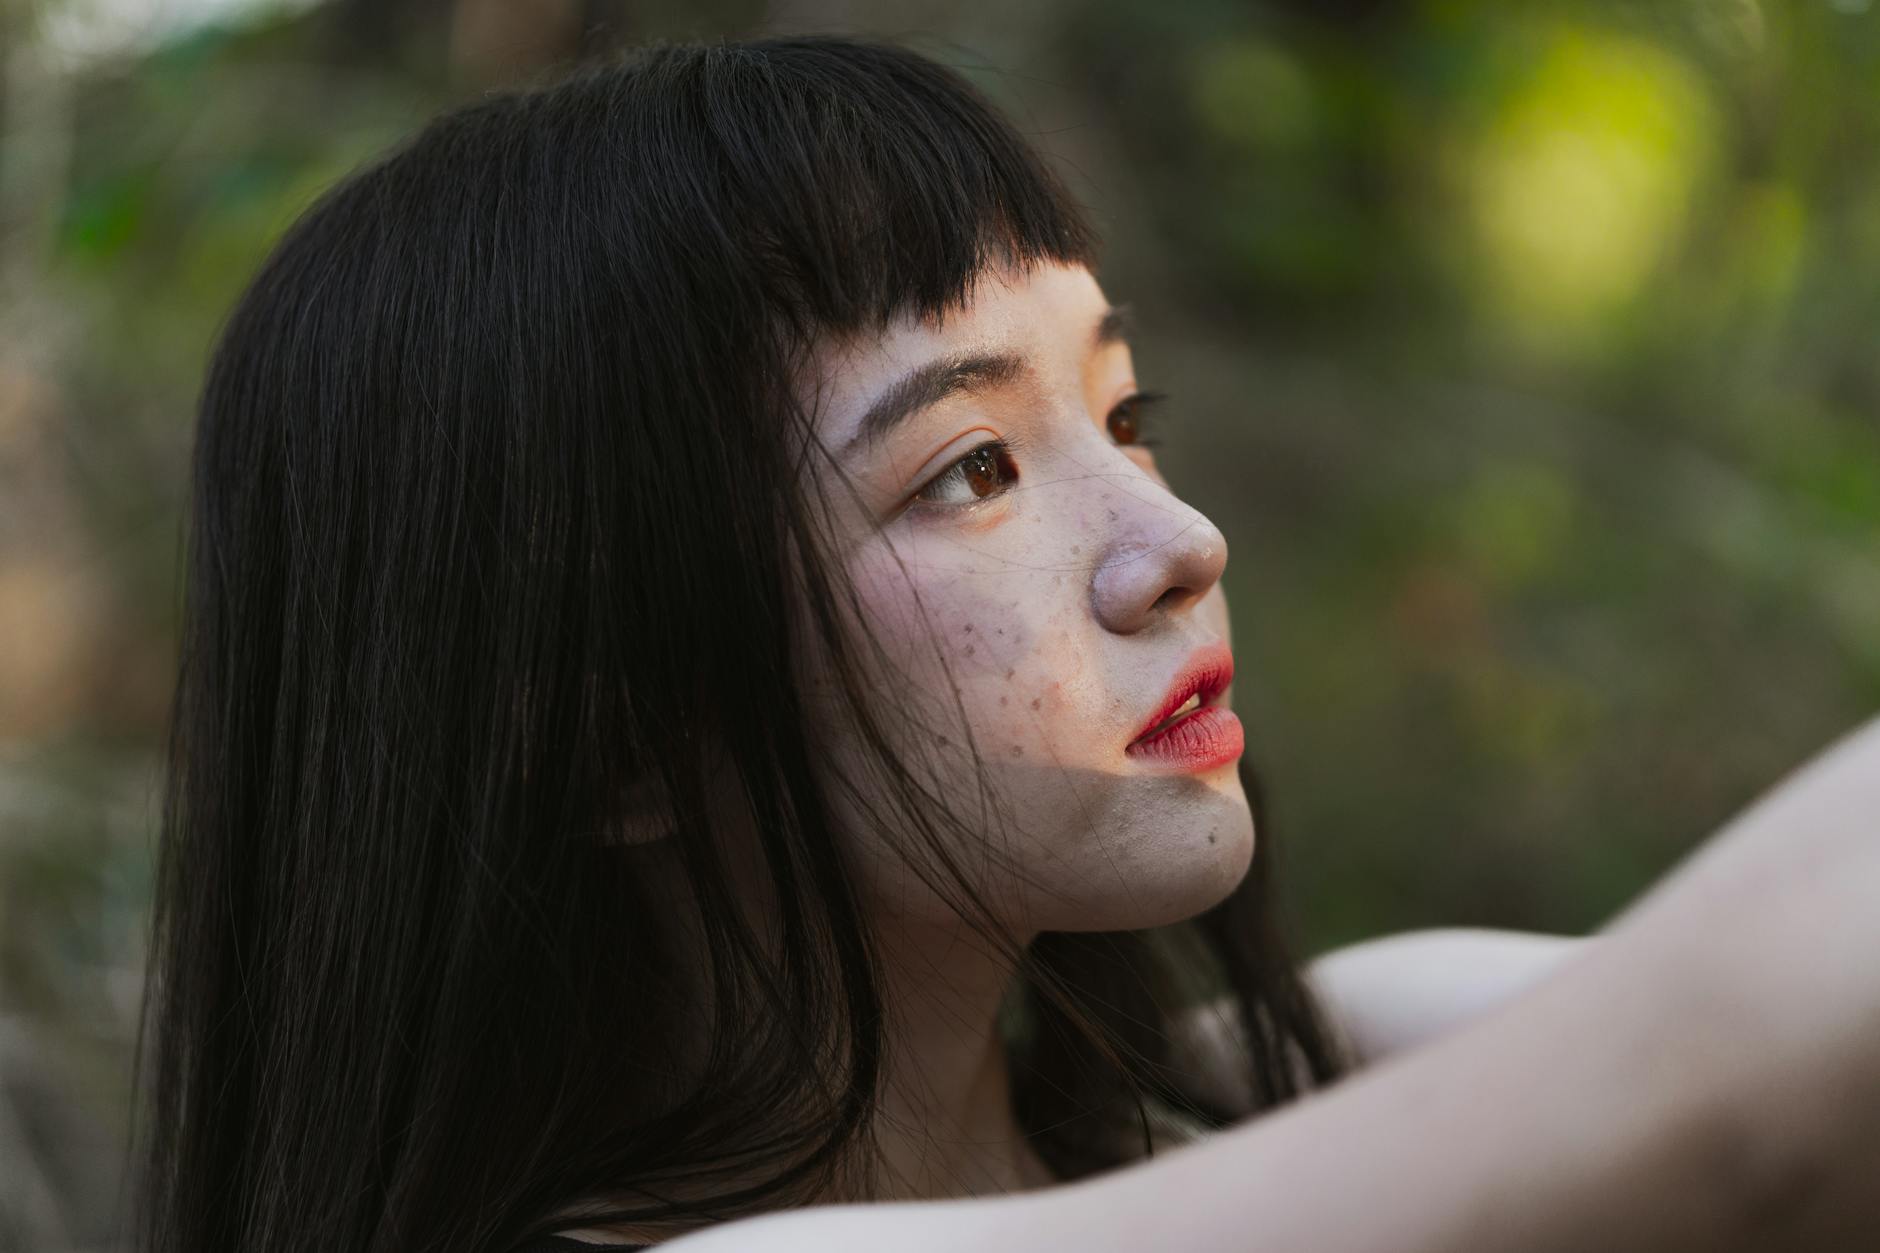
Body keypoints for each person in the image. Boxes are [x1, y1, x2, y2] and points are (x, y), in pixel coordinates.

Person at [128, 33, 1880, 1253]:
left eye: (1122, 416)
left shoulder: (1288, 1072)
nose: (1179, 544)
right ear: (617, 733)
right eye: (971, 468)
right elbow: (1737, 1067)